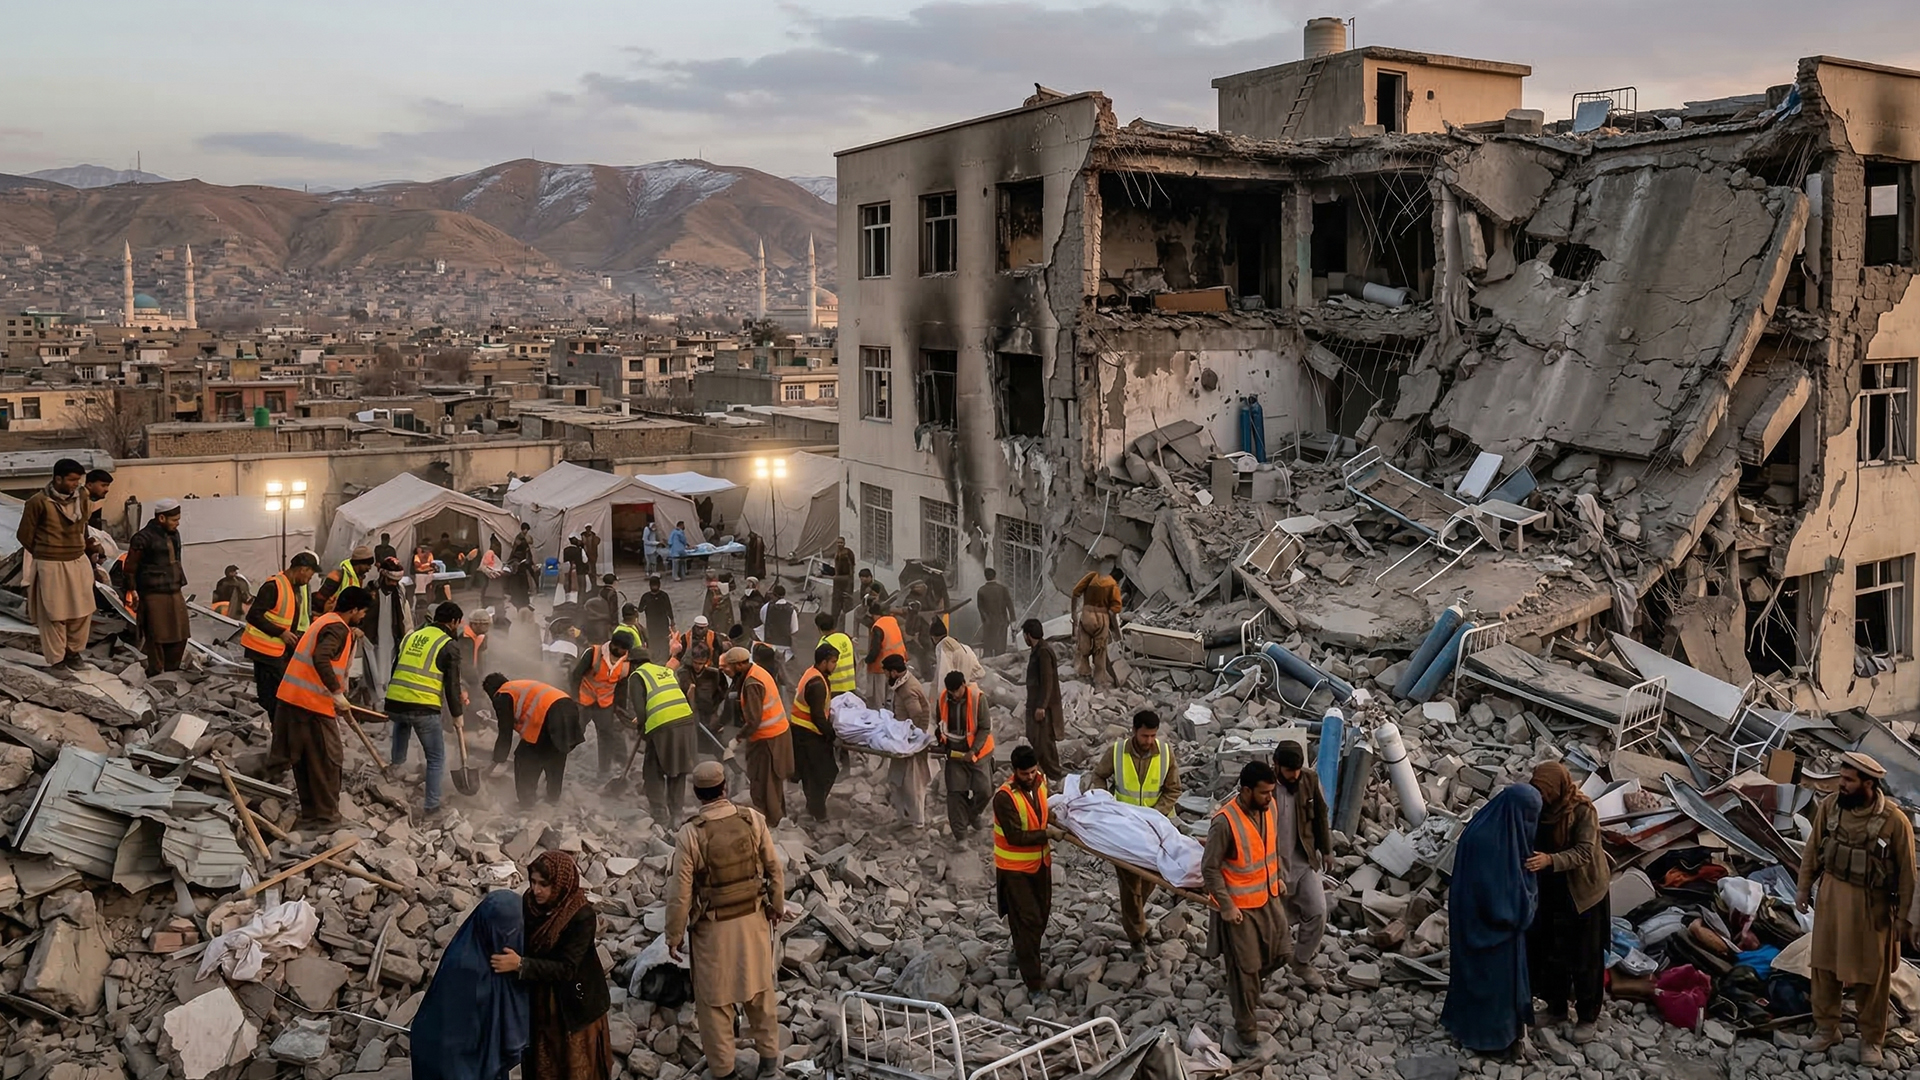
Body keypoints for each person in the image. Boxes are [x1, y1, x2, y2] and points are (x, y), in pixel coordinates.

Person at [1795, 751, 1917, 1068]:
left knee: (1871, 977)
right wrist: (1803, 889)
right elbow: (1812, 852)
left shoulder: (1894, 820)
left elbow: (1907, 874)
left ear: (1868, 783)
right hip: (1832, 900)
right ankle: (1826, 1029)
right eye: (1842, 778)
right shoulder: (1830, 807)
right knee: (1823, 966)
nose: (1842, 784)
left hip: (1872, 908)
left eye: (1849, 780)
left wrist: (1906, 919)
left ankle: (1871, 1040)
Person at [666, 761, 785, 1080]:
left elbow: (680, 892)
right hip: (754, 922)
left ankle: (725, 1071)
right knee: (759, 990)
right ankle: (769, 1064)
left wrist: (673, 934)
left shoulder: (691, 833)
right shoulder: (753, 819)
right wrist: (776, 906)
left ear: (696, 794)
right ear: (725, 788)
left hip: (712, 929)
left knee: (715, 1003)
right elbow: (774, 869)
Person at [489, 851, 613, 1080]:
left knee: (573, 1067)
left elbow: (567, 968)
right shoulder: (530, 904)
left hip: (573, 1006)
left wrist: (521, 965)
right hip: (539, 1002)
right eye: (533, 882)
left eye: (544, 884)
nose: (536, 890)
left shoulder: (581, 916)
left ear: (560, 884)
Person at [1440, 783, 1543, 1056]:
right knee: (1494, 984)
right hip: (1491, 927)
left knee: (1472, 978)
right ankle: (1491, 1039)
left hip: (1471, 921)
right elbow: (1501, 901)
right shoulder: (1491, 843)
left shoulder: (1487, 825)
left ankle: (1471, 1028)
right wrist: (1526, 909)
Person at [1203, 761, 1290, 1056]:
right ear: (1246, 791)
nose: (1270, 797)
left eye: (1271, 792)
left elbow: (1271, 847)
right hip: (1240, 910)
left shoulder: (1270, 808)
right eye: (1264, 793)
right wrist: (1225, 906)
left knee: (1281, 953)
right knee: (1245, 970)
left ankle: (1249, 997)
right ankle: (1245, 1033)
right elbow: (1210, 868)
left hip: (1268, 898)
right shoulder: (1224, 823)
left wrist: (1278, 876)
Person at [1525, 761, 1611, 1043]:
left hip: (1583, 894)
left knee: (1585, 957)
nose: (1543, 797)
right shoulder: (1540, 808)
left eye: (1546, 792)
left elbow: (1585, 852)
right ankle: (1556, 1008)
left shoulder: (1582, 810)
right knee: (1551, 950)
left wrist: (1551, 860)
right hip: (1552, 889)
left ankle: (1588, 1017)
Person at [273, 586, 372, 829]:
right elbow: (321, 657)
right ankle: (327, 818)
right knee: (328, 760)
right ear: (354, 609)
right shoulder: (338, 628)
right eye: (363, 612)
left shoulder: (324, 621)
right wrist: (336, 694)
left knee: (305, 759)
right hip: (311, 705)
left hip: (291, 699)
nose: (363, 618)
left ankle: (311, 815)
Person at [412, 890, 530, 1080]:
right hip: (452, 1058)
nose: (514, 937)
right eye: (507, 932)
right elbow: (454, 1040)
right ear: (488, 927)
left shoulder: (494, 952)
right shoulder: (466, 968)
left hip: (476, 1055)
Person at [1090, 710, 1182, 949]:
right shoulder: (1117, 752)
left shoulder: (1165, 754)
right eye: (1144, 736)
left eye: (1152, 735)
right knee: (1130, 884)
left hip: (1155, 830)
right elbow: (1099, 777)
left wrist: (1156, 813)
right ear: (1134, 731)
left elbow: (1173, 789)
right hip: (1125, 831)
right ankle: (1136, 934)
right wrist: (1107, 803)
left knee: (1151, 879)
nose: (1149, 741)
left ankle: (1136, 921)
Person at [17, 458, 101, 668]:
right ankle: (57, 661)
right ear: (58, 478)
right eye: (72, 480)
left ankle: (73, 653)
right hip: (50, 564)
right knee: (54, 614)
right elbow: (25, 535)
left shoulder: (81, 497)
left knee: (83, 610)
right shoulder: (38, 502)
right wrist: (47, 551)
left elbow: (83, 525)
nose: (75, 484)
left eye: (78, 480)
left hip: (77, 561)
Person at [386, 601, 466, 819]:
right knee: (436, 757)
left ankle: (396, 767)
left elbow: (396, 667)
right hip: (422, 708)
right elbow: (452, 685)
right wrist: (457, 716)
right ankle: (431, 806)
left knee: (402, 725)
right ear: (453, 622)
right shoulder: (448, 644)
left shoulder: (411, 636)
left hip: (394, 701)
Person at [1270, 742, 1332, 989]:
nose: (1294, 776)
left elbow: (1320, 814)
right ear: (1276, 766)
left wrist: (1326, 850)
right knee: (1274, 923)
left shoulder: (1308, 780)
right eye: (1288, 771)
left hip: (1303, 860)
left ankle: (1301, 961)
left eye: (1296, 770)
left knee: (1318, 911)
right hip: (1272, 866)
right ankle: (1257, 970)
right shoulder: (1264, 786)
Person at [993, 745, 1053, 991]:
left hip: (1040, 865)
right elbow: (1015, 836)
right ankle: (1034, 983)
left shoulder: (1040, 782)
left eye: (1032, 772)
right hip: (1015, 871)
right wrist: (1048, 834)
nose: (1030, 777)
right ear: (1015, 771)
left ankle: (1022, 951)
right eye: (1025, 774)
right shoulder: (1004, 797)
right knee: (1027, 921)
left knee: (1041, 917)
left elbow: (1044, 811)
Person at [486, 674, 587, 808]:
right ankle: (553, 797)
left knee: (524, 757)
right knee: (556, 753)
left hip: (549, 714)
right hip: (568, 707)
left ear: (491, 691)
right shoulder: (519, 685)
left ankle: (526, 803)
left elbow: (505, 732)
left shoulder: (502, 694)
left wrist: (497, 759)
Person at [241, 552, 319, 717]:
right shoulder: (274, 586)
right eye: (310, 576)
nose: (308, 581)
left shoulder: (292, 587)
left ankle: (277, 724)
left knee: (276, 692)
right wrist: (281, 633)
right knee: (272, 693)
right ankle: (275, 726)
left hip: (278, 650)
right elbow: (253, 616)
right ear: (303, 569)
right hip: (264, 650)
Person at [627, 645, 697, 822]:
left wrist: (642, 730)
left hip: (662, 725)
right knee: (678, 767)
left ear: (634, 664)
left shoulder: (637, 676)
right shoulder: (665, 671)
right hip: (686, 720)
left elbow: (641, 713)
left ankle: (659, 815)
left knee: (652, 770)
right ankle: (677, 813)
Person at [724, 646, 793, 826]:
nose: (727, 671)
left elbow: (754, 720)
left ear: (739, 665)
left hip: (768, 738)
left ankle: (772, 822)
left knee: (765, 782)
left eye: (729, 667)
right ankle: (779, 816)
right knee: (773, 781)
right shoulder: (756, 672)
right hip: (775, 733)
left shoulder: (752, 683)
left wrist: (737, 739)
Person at [124, 500, 189, 675]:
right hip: (153, 593)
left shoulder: (174, 534)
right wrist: (132, 590)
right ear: (162, 518)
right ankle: (156, 672)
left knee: (180, 633)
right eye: (174, 520)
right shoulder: (142, 538)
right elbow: (130, 567)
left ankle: (172, 671)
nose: (177, 523)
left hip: (174, 590)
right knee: (157, 635)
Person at [937, 670, 994, 843]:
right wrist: (941, 742)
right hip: (954, 752)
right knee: (955, 792)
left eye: (957, 691)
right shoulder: (943, 699)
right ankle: (960, 835)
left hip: (978, 752)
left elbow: (984, 728)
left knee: (985, 790)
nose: (954, 695)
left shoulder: (978, 698)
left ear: (963, 685)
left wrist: (973, 750)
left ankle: (972, 814)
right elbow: (940, 724)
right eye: (951, 692)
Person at [569, 635, 632, 780]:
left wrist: (620, 708)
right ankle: (563, 762)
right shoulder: (593, 653)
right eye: (620, 649)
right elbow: (576, 675)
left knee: (606, 736)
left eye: (625, 650)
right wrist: (574, 698)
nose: (622, 652)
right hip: (584, 699)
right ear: (613, 645)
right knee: (574, 731)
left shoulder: (627, 661)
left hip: (605, 703)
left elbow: (622, 686)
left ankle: (604, 770)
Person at [789, 644, 840, 821]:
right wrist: (832, 735)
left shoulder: (813, 673)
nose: (835, 665)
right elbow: (818, 716)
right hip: (809, 734)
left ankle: (813, 808)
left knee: (811, 775)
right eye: (833, 662)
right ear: (824, 661)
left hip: (803, 732)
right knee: (823, 774)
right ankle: (818, 813)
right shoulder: (817, 683)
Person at [881, 654, 932, 827]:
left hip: (909, 743)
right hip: (902, 740)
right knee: (896, 781)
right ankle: (904, 817)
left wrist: (913, 739)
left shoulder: (907, 689)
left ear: (894, 672)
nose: (886, 676)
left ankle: (916, 822)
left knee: (912, 786)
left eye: (887, 673)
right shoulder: (902, 684)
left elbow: (917, 714)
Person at [1021, 620, 1066, 782]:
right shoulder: (1037, 650)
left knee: (1044, 743)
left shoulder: (1043, 652)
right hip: (1036, 704)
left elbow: (1047, 682)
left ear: (1028, 635)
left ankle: (1055, 775)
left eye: (1025, 635)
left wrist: (1041, 706)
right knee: (1035, 738)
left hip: (1043, 708)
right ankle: (1044, 773)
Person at [1069, 563, 1122, 690]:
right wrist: (1117, 633)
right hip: (1101, 619)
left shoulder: (1091, 576)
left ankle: (1084, 676)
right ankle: (1099, 682)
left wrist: (1074, 614)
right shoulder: (1113, 586)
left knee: (1084, 647)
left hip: (1087, 616)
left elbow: (1075, 593)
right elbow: (1112, 612)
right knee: (1100, 650)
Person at [864, 602, 908, 703]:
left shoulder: (878, 627)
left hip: (883, 666)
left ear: (874, 615)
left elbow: (875, 650)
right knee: (892, 694)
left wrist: (867, 660)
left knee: (879, 697)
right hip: (899, 662)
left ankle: (880, 713)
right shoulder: (892, 621)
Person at [930, 619, 984, 695]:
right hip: (967, 692)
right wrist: (964, 680)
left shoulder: (942, 646)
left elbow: (943, 673)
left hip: (953, 693)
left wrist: (942, 696)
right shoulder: (966, 647)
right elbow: (979, 672)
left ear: (933, 637)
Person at [315, 546, 375, 614]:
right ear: (359, 563)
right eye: (368, 565)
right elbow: (319, 600)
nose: (369, 568)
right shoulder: (337, 575)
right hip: (331, 619)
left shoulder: (358, 579)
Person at [815, 612, 858, 700]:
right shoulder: (845, 638)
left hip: (834, 688)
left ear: (819, 628)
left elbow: (821, 668)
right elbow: (854, 661)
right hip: (850, 686)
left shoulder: (824, 644)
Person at [975, 568, 1016, 658]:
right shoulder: (1003, 589)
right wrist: (1013, 623)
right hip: (1002, 623)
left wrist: (986, 620)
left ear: (985, 577)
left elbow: (980, 608)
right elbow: (1010, 606)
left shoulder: (981, 591)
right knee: (1000, 651)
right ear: (995, 576)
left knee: (988, 650)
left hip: (989, 624)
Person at [759, 584, 798, 663]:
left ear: (774, 595)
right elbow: (794, 630)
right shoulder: (791, 610)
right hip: (786, 649)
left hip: (769, 646)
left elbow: (763, 621)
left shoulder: (766, 607)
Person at [638, 576, 674, 655]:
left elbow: (669, 609)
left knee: (662, 641)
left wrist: (672, 621)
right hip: (653, 625)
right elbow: (640, 609)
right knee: (654, 641)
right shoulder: (646, 597)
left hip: (661, 624)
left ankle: (663, 655)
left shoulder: (663, 596)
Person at [829, 537, 855, 629]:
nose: (839, 544)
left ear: (844, 543)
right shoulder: (836, 553)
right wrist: (835, 576)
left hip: (847, 578)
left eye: (841, 542)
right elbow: (836, 566)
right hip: (838, 579)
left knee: (847, 601)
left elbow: (852, 565)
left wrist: (851, 578)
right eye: (838, 543)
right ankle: (833, 625)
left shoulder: (848, 552)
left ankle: (847, 626)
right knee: (836, 601)